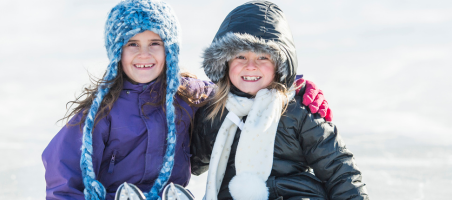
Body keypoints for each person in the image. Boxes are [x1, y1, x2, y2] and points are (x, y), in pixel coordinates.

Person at [42, 0, 331, 199]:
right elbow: (62, 174)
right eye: (132, 44)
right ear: (117, 51)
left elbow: (242, 89)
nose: (144, 54)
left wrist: (294, 88)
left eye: (155, 43)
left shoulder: (188, 95)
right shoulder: (100, 111)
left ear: (170, 49)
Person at [191, 1, 369, 200]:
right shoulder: (215, 113)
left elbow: (338, 168)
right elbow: (190, 161)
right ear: (224, 63)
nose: (251, 66)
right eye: (240, 56)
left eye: (263, 58)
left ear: (279, 65)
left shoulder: (299, 109)